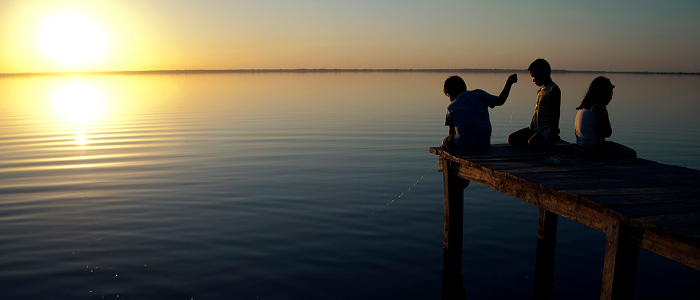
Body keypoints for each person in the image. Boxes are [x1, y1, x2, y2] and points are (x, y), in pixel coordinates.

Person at [440, 74, 518, 148]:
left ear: (451, 92)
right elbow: (500, 101)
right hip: (484, 144)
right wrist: (509, 83)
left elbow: (451, 132)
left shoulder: (450, 107)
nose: (450, 100)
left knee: (446, 141)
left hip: (463, 146)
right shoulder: (479, 94)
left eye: (448, 96)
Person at [574, 76, 636, 157]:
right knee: (632, 153)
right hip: (595, 148)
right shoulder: (599, 108)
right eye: (609, 93)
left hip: (581, 148)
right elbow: (608, 133)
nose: (611, 97)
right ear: (602, 93)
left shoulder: (583, 107)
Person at [508, 59, 561, 149]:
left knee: (533, 143)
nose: (533, 80)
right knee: (512, 138)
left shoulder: (553, 89)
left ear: (542, 73)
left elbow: (556, 113)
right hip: (534, 129)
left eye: (533, 76)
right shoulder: (540, 91)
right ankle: (535, 140)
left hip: (546, 129)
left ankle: (546, 140)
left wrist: (553, 131)